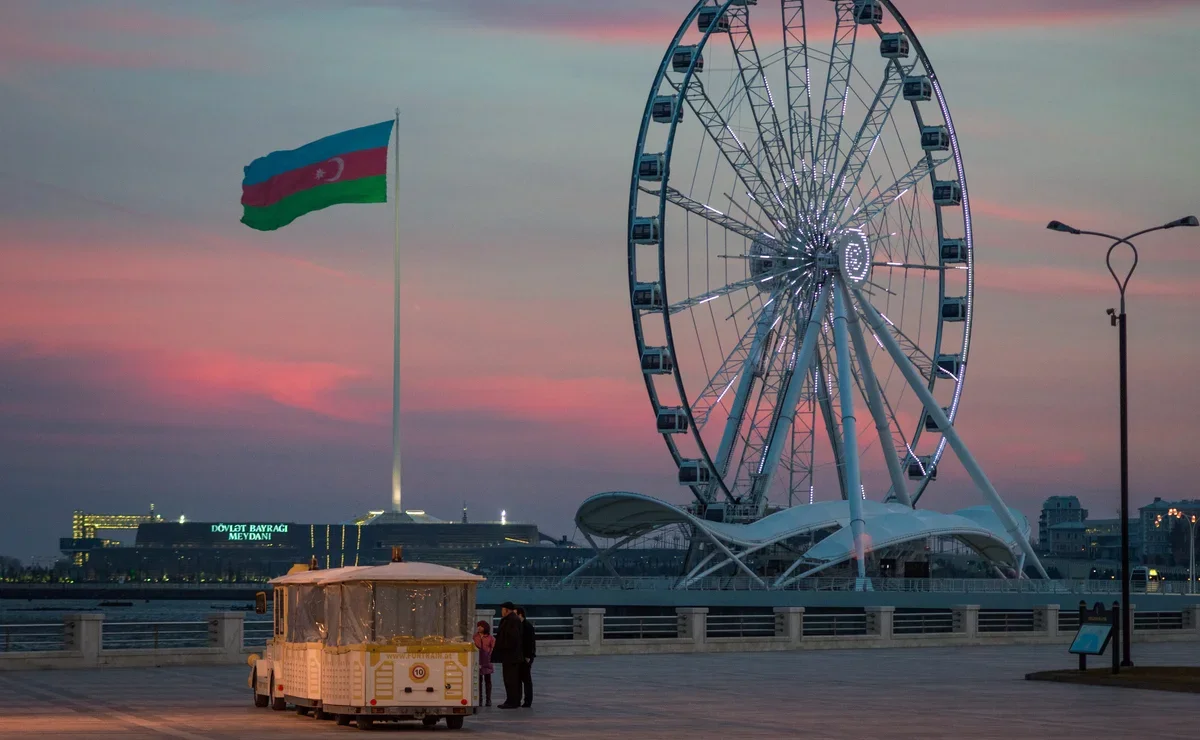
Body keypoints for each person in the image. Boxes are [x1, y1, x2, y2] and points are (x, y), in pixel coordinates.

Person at [491, 602, 524, 709]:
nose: (501, 611)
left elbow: (513, 638)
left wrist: (504, 647)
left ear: (507, 610)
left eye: (503, 609)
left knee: (511, 679)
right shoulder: (510, 620)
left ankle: (512, 701)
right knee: (510, 679)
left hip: (511, 656)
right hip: (510, 655)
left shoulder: (512, 621)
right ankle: (512, 700)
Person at [516, 607, 537, 708]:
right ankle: (518, 699)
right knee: (518, 678)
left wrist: (528, 656)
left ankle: (528, 700)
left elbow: (530, 642)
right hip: (519, 656)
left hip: (526, 656)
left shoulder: (527, 626)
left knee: (526, 679)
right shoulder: (518, 625)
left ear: (520, 614)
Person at [473, 620, 495, 707]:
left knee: (488, 681)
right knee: (478, 681)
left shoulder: (490, 638)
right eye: (478, 626)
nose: (479, 628)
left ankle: (488, 699)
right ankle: (479, 699)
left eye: (481, 626)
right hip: (478, 660)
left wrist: (489, 657)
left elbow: (493, 648)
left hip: (487, 661)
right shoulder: (475, 637)